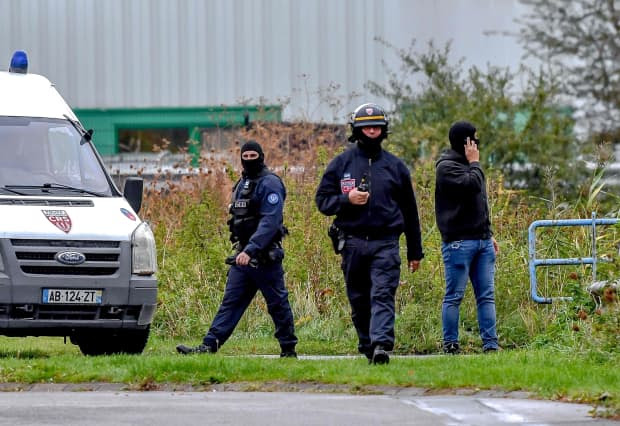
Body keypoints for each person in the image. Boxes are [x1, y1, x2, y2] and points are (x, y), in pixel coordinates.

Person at [315, 103, 424, 365]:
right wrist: (346, 199)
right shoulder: (341, 163)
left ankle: (381, 345)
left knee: (383, 294)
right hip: (352, 243)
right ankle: (367, 343)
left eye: (376, 126)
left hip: (386, 243)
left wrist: (414, 251)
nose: (372, 130)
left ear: (384, 130)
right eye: (366, 126)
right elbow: (322, 201)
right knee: (359, 299)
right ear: (357, 130)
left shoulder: (396, 167)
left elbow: (410, 212)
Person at [177, 141, 298, 357]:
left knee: (277, 305)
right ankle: (208, 346)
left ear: (261, 156)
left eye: (254, 155)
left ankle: (288, 349)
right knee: (230, 304)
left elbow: (270, 222)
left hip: (264, 258)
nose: (249, 159)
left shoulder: (270, 184)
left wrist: (250, 250)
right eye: (246, 156)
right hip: (242, 258)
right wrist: (243, 251)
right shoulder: (242, 183)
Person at [434, 121, 499, 354]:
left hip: (482, 241)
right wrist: (474, 163)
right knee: (455, 295)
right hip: (459, 242)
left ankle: (491, 344)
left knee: (486, 296)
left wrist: (488, 233)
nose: (477, 144)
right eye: (474, 139)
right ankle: (450, 344)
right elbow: (472, 186)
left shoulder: (472, 167)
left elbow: (480, 202)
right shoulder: (447, 167)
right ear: (466, 142)